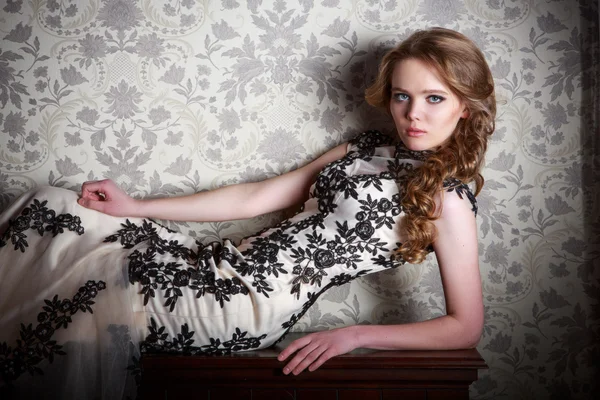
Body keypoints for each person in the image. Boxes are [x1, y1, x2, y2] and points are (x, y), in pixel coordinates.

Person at [0, 27, 495, 399]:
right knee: (57, 205)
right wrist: (136, 205)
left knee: (88, 285)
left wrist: (354, 335)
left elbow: (464, 325)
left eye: (435, 99)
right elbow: (257, 197)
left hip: (245, 305)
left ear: (464, 108)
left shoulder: (448, 200)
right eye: (402, 96)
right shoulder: (367, 147)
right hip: (215, 261)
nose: (413, 114)